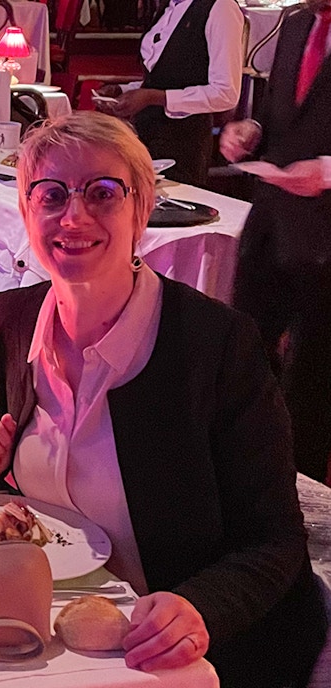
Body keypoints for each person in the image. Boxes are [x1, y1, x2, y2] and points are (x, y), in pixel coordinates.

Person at [0, 111, 325, 686]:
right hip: (56, 623)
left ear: (141, 210)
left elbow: (274, 541)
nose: (73, 216)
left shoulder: (217, 347)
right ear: (26, 212)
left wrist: (199, 606)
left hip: (190, 644)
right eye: (50, 195)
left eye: (102, 193)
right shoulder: (7, 319)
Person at [220, 0, 331, 484]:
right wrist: (252, 132)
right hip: (271, 225)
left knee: (312, 380)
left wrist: (327, 172)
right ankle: (243, 479)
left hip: (326, 238)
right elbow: (277, 116)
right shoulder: (297, 22)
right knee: (243, 354)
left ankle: (302, 498)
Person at [94, 0, 243, 186]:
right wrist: (123, 90)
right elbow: (167, 76)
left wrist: (153, 97)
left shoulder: (221, 7)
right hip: (146, 133)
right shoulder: (169, 5)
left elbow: (225, 93)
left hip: (185, 141)